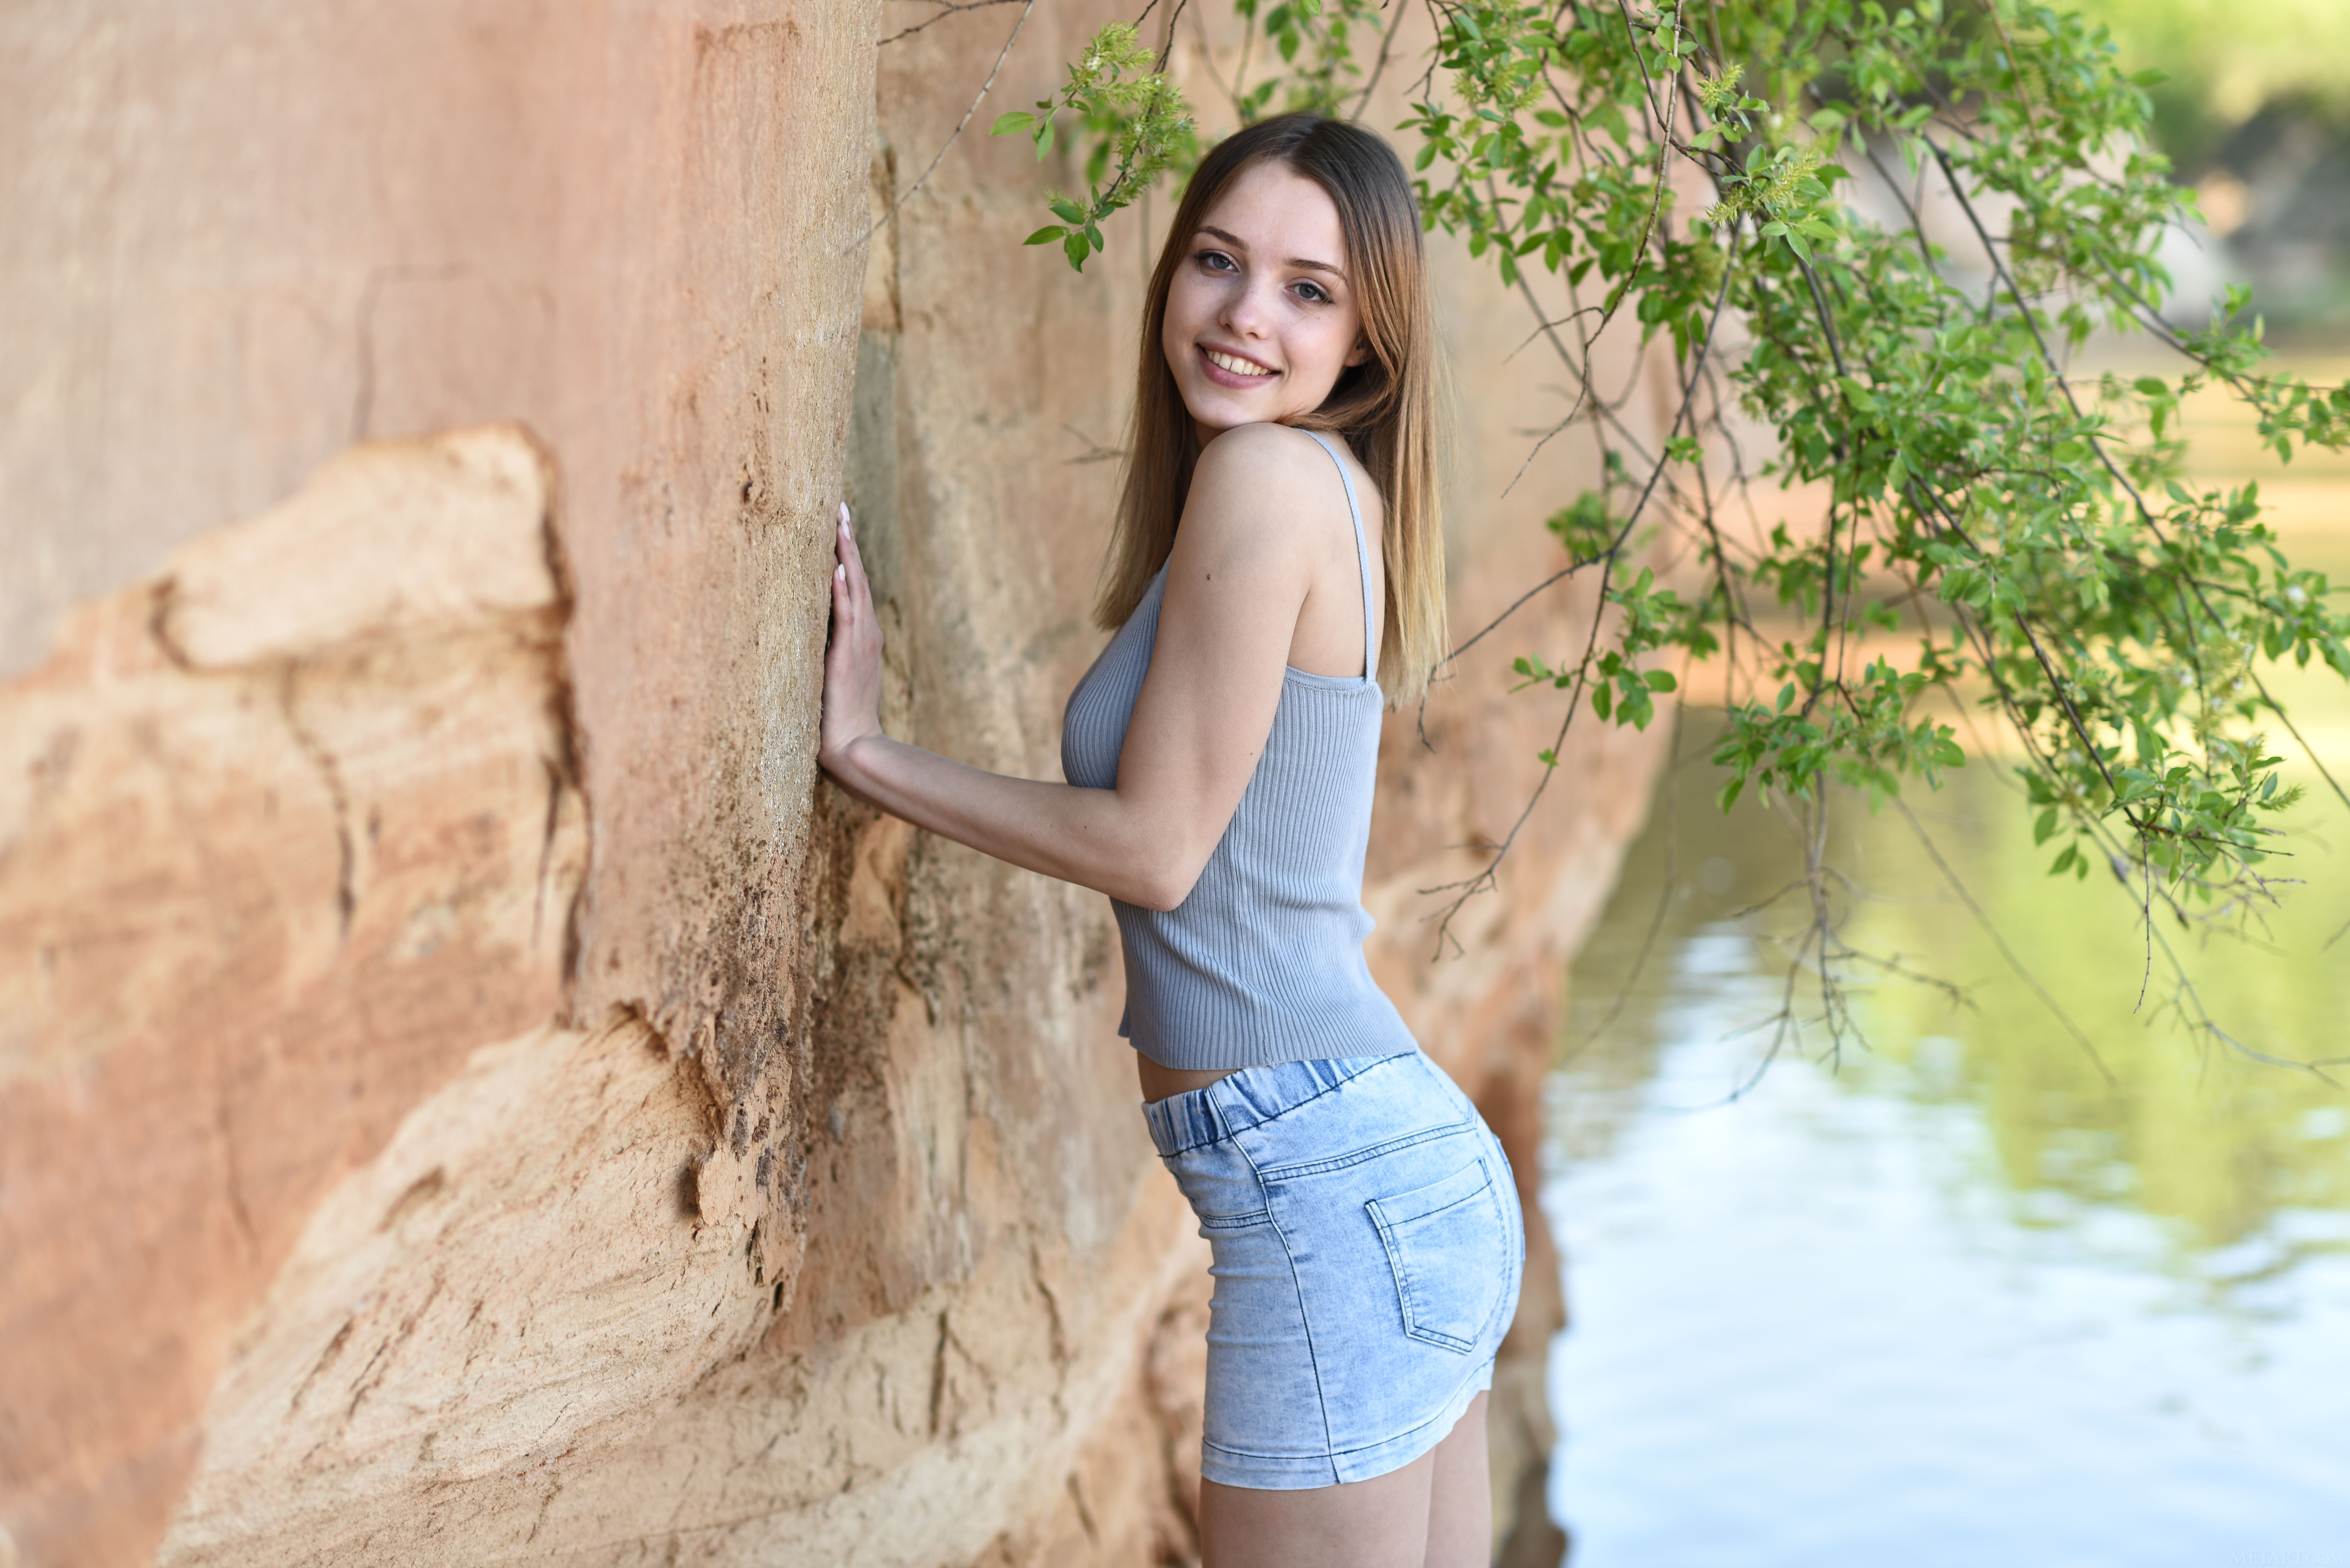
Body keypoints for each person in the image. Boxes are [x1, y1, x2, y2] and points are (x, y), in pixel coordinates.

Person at [819, 112, 1523, 1568]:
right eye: (1217, 261)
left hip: (1326, 1181)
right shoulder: (1317, 490)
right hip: (1379, 1170)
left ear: (1366, 347)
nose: (1245, 315)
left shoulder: (1267, 480)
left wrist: (867, 754)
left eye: (1308, 290)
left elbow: (1156, 849)